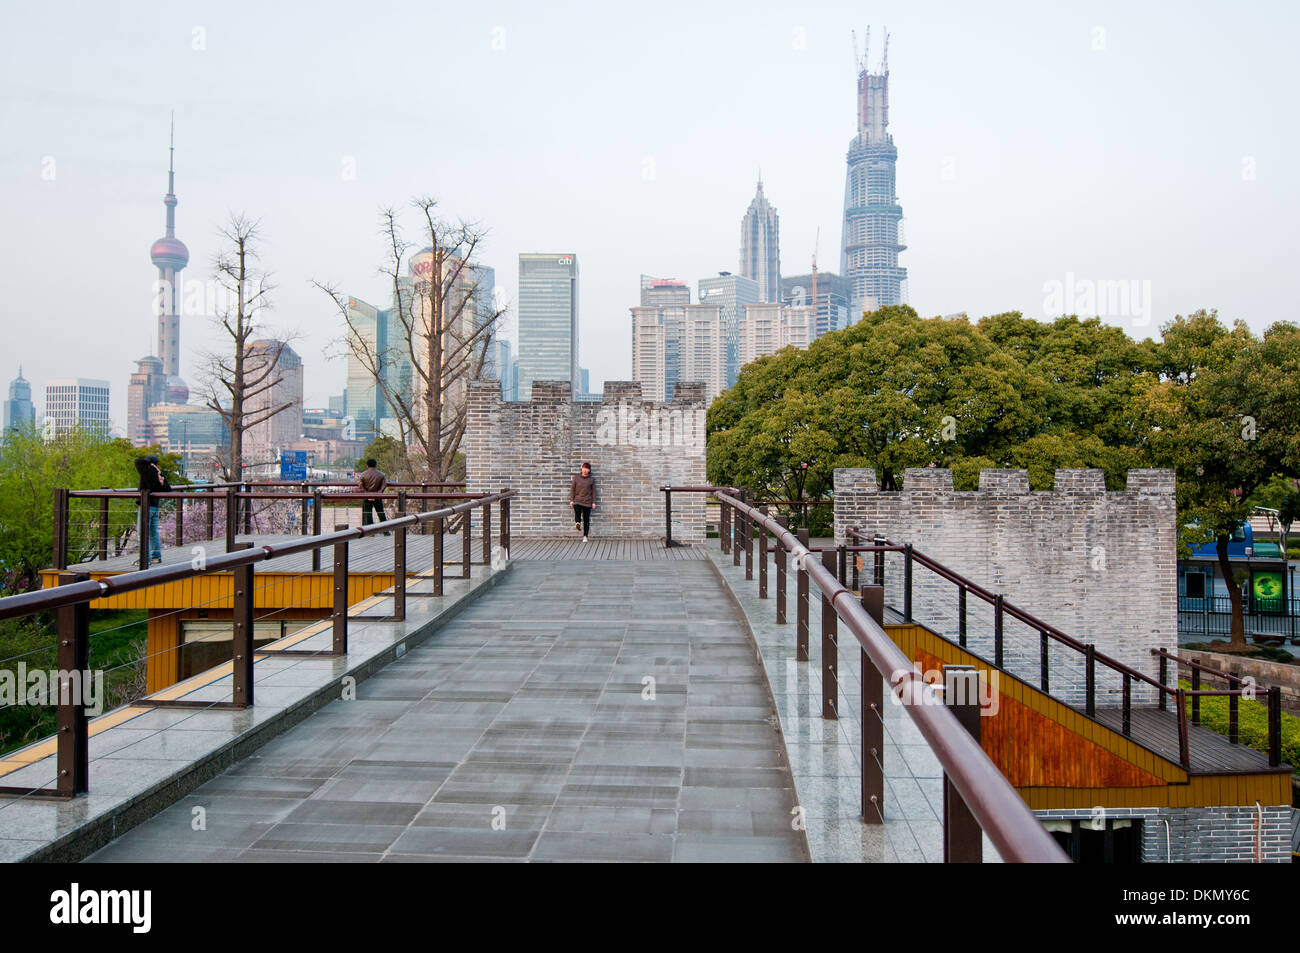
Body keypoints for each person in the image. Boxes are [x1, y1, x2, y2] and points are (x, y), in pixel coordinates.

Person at [134, 454, 171, 564]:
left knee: (142, 532)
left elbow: (137, 461)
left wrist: (149, 464)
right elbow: (168, 489)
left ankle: (145, 559)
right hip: (155, 506)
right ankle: (156, 556)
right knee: (153, 532)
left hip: (146, 505)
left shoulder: (146, 471)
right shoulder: (159, 473)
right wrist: (162, 481)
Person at [568, 461, 596, 542]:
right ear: (582, 468)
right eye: (584, 468)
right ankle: (578, 522)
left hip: (587, 502)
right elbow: (572, 489)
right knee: (577, 512)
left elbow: (594, 491)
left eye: (587, 469)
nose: (585, 470)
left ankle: (585, 536)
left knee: (586, 519)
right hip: (577, 500)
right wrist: (572, 500)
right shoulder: (576, 478)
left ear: (589, 470)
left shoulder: (591, 480)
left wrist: (593, 502)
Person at [358, 459, 388, 527]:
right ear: (375, 465)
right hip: (377, 496)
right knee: (381, 513)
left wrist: (367, 494)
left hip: (366, 496)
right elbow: (384, 485)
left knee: (368, 514)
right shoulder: (381, 475)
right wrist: (378, 493)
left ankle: (370, 531)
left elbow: (360, 486)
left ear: (367, 465)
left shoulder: (363, 475)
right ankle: (386, 530)